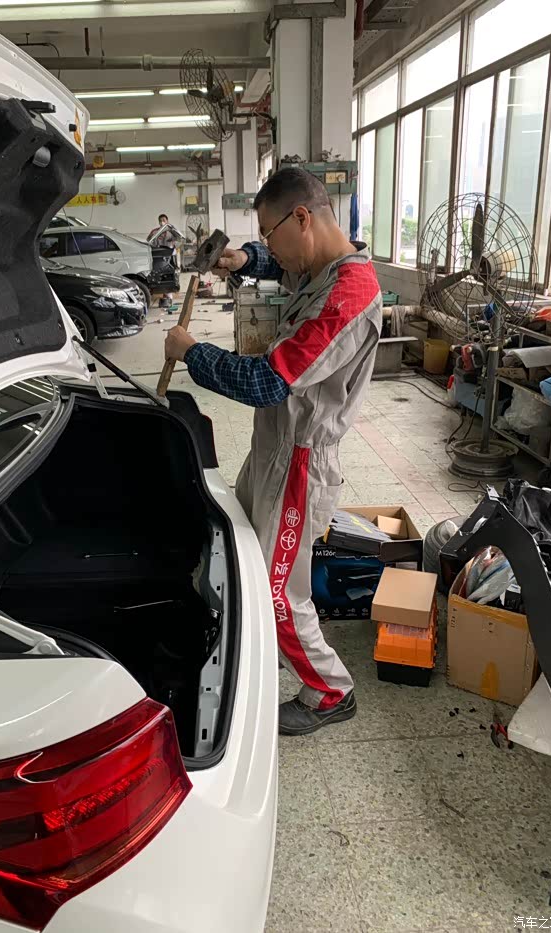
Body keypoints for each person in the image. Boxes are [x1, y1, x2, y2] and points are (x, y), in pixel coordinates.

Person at [164, 168, 382, 736]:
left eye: (268, 234)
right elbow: (285, 267)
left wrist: (192, 352)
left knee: (277, 590)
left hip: (301, 462)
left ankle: (331, 690)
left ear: (302, 218)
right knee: (240, 551)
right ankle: (247, 645)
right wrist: (244, 260)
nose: (268, 248)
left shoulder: (347, 296)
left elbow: (266, 382)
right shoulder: (322, 269)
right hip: (275, 447)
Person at [148, 213, 178, 310]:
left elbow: (177, 239)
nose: (162, 222)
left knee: (169, 276)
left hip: (170, 256)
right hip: (158, 257)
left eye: (164, 220)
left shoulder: (171, 231)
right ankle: (165, 296)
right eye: (160, 220)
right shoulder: (154, 232)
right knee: (160, 276)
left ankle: (168, 297)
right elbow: (149, 241)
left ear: (167, 221)